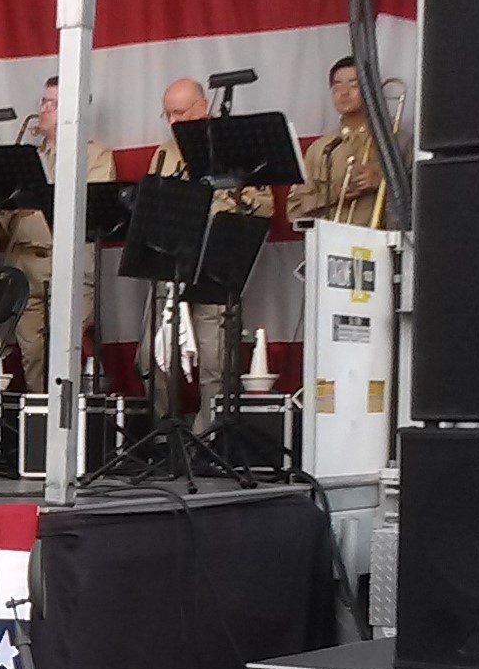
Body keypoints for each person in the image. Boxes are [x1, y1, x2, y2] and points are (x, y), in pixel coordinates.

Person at [145, 78, 275, 428]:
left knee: (215, 360)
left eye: (180, 112)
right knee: (154, 358)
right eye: (167, 113)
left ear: (204, 108)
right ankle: (164, 437)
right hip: (172, 264)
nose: (173, 121)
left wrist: (221, 203)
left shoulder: (234, 148)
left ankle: (210, 439)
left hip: (215, 263)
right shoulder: (163, 153)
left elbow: (263, 207)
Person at [1, 76, 116, 392]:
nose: (45, 109)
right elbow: (6, 214)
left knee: (67, 349)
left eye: (54, 104)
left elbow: (89, 206)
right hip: (25, 261)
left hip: (69, 261)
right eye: (44, 102)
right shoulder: (25, 157)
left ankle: (71, 426)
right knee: (32, 353)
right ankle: (40, 420)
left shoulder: (95, 155)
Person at [287, 56, 406, 228]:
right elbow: (294, 210)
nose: (344, 92)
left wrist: (381, 183)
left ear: (372, 90)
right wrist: (336, 193)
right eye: (337, 86)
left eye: (354, 85)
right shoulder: (320, 148)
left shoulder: (397, 141)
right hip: (330, 246)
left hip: (382, 243)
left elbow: (422, 201)